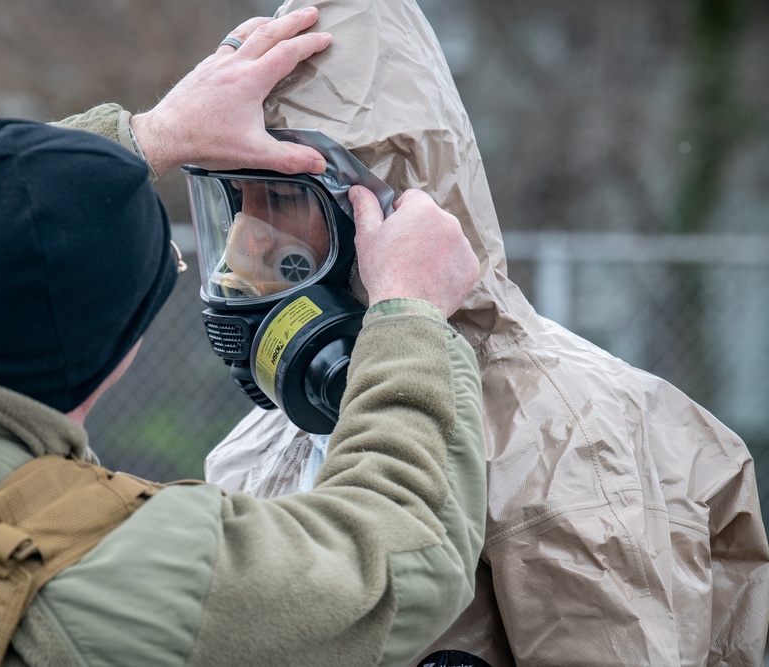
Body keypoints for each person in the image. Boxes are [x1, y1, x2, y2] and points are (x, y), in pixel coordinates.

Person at [0, 8, 488, 666]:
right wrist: (410, 311)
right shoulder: (107, 570)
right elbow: (400, 563)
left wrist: (154, 133)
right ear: (117, 352)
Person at [203, 2, 769, 666]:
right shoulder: (261, 446)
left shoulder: (569, 436)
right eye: (239, 202)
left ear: (387, 201)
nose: (246, 252)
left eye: (282, 203)